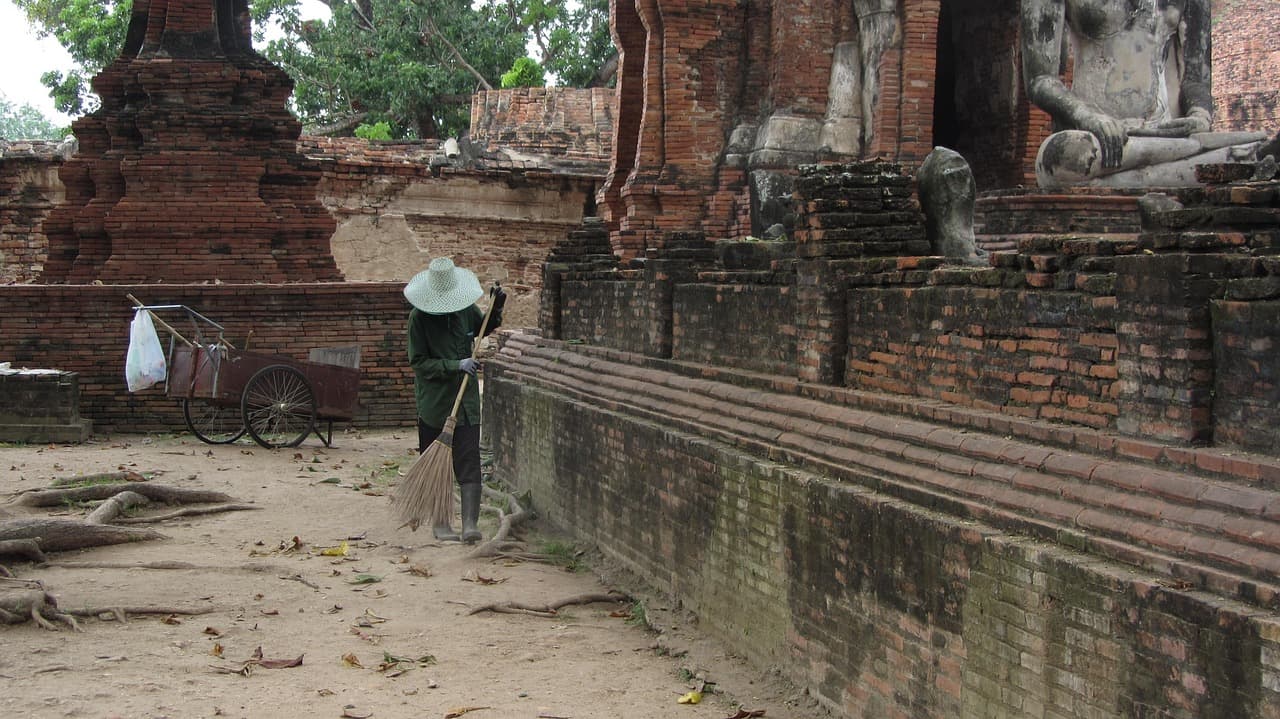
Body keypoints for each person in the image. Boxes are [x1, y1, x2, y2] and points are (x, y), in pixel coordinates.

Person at [1021, 0, 1270, 187]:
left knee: (1260, 147)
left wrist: (1199, 115)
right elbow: (1040, 80)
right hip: (1095, 140)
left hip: (1165, 133)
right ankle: (1194, 168)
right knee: (1063, 155)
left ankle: (1114, 183)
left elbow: (1195, 79)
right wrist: (1087, 117)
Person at [404, 257, 506, 543]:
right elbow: (418, 362)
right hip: (435, 405)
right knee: (438, 467)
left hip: (467, 405)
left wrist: (496, 307)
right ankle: (441, 524)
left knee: (469, 460)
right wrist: (454, 365)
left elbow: (483, 327)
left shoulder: (464, 309)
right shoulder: (418, 319)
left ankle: (470, 524)